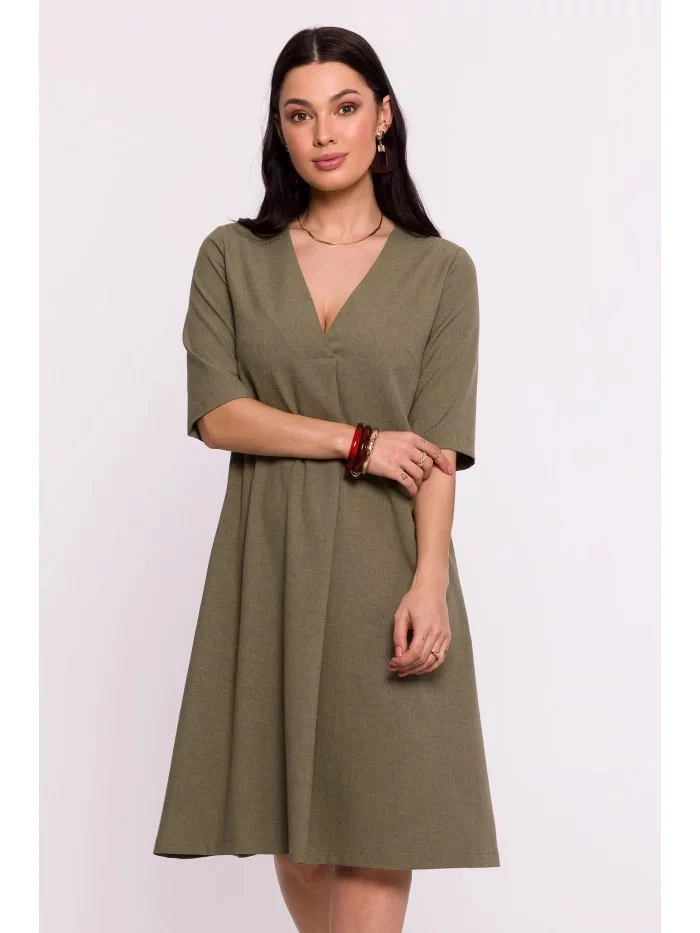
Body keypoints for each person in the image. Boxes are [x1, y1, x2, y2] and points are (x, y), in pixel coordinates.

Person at [153, 24, 500, 932]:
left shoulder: (441, 271)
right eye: (299, 114)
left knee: (380, 822)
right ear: (279, 129)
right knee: (299, 836)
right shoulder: (232, 257)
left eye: (344, 108)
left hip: (387, 569)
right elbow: (219, 413)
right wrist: (357, 441)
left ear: (383, 117)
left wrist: (430, 580)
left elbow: (439, 448)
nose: (324, 133)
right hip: (269, 565)